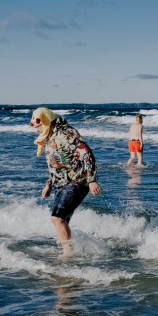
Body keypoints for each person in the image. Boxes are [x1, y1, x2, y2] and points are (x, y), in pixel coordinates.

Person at [31, 107, 102, 254]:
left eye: (37, 124)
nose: (34, 127)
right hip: (62, 184)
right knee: (62, 221)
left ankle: (68, 254)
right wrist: (49, 184)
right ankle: (77, 250)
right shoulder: (50, 137)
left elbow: (86, 153)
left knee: (57, 218)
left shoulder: (65, 134)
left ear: (45, 121)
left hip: (77, 182)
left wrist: (92, 180)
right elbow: (57, 164)